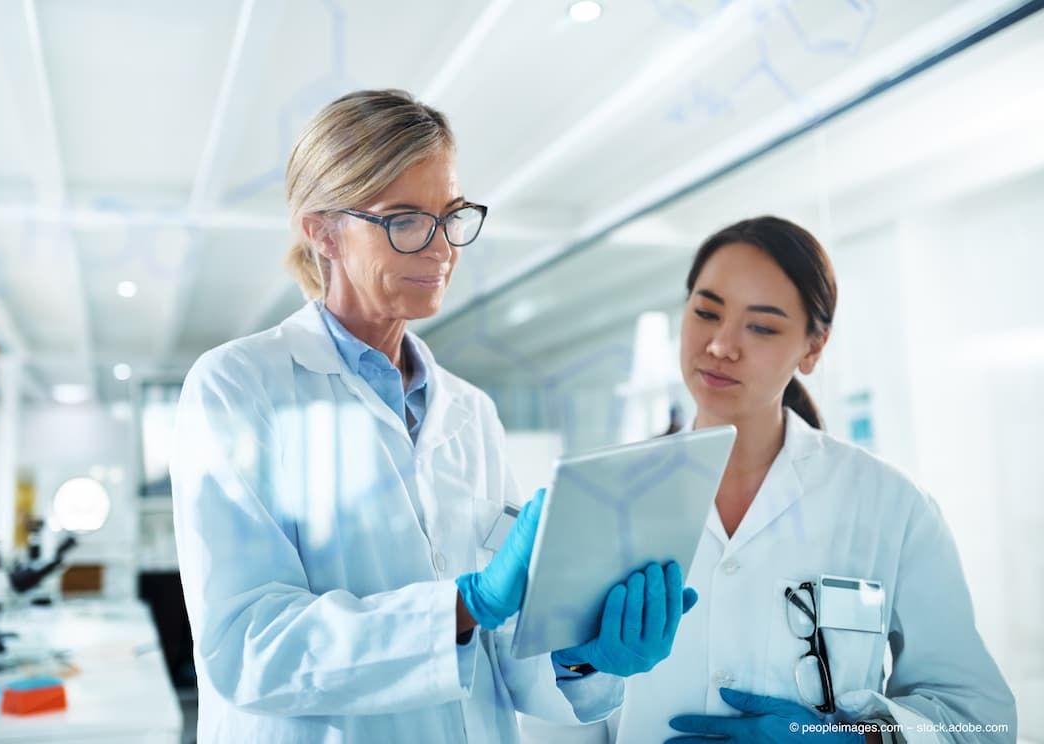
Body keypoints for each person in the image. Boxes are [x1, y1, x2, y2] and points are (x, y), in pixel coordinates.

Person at [170, 89, 694, 744]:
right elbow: (248, 646)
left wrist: (584, 653)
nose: (442, 247)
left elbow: (503, 649)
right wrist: (463, 605)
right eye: (406, 220)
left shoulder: (470, 413)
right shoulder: (238, 387)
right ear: (322, 230)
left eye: (451, 216)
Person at [610, 216, 1017, 744]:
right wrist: (579, 675)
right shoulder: (612, 496)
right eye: (707, 312)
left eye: (761, 326)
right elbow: (554, 714)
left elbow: (984, 721)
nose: (720, 345)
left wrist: (853, 741)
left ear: (813, 347)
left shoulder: (891, 505)